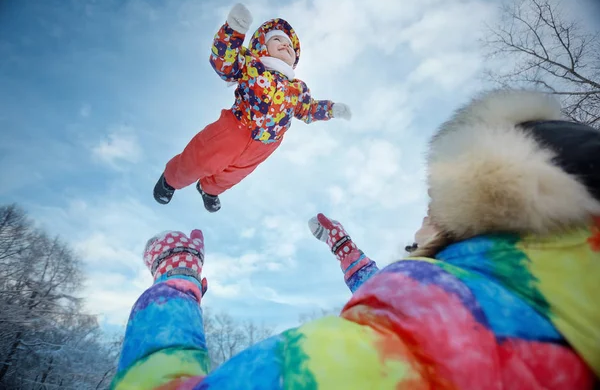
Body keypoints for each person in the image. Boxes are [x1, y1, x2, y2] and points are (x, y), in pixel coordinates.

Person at [114, 89, 600, 389]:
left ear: (482, 204)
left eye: (438, 202)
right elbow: (397, 296)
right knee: (207, 156)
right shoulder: (547, 291)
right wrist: (343, 249)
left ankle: (208, 190)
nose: (424, 214)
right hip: (237, 125)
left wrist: (175, 280)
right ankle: (186, 182)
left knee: (228, 172)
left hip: (260, 141)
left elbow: (417, 318)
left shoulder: (449, 324)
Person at [153, 3, 352, 212]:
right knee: (200, 158)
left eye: (290, 45)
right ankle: (171, 179)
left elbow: (309, 109)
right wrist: (234, 31)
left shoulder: (297, 89)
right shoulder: (252, 64)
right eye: (277, 40)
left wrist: (331, 109)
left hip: (266, 144)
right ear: (263, 46)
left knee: (234, 173)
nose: (285, 45)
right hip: (235, 129)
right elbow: (224, 63)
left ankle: (209, 189)